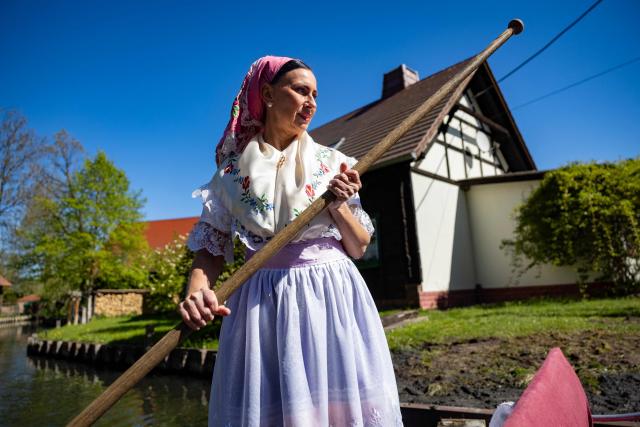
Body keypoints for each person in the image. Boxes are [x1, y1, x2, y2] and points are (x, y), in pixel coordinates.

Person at [180, 55, 403, 427]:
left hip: (330, 297)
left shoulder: (334, 163)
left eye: (315, 94)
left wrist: (338, 207)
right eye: (301, 90)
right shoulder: (230, 176)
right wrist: (196, 291)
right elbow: (211, 246)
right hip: (260, 305)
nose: (311, 102)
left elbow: (360, 246)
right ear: (267, 94)